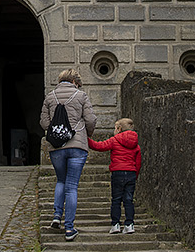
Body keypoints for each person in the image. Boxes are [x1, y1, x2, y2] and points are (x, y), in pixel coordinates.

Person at [40, 68, 96, 241]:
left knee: (61, 181)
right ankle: (69, 229)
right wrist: (87, 134)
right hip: (77, 145)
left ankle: (57, 216)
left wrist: (55, 132)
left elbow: (44, 122)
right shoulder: (81, 96)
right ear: (74, 82)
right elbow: (91, 120)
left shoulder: (50, 97)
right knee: (72, 186)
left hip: (57, 147)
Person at [88, 117, 142, 234]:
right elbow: (138, 162)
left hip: (117, 172)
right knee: (129, 200)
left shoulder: (114, 140)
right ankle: (129, 224)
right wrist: (135, 174)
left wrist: (86, 139)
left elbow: (99, 146)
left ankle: (115, 224)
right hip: (131, 173)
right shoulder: (136, 144)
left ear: (119, 129)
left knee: (116, 199)